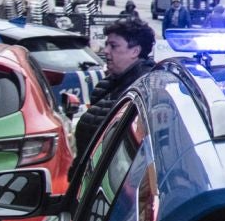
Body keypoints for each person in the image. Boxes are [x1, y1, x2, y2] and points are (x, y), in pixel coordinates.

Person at [67, 16, 157, 155]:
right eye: (107, 44)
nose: (106, 51)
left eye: (113, 46)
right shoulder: (106, 85)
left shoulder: (145, 90)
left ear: (135, 51)